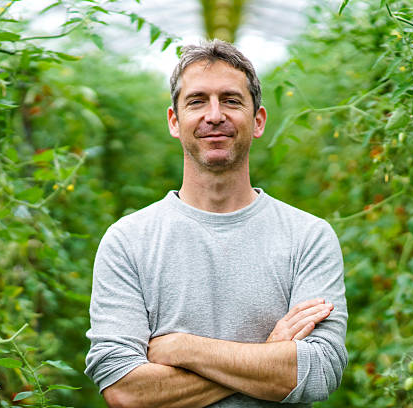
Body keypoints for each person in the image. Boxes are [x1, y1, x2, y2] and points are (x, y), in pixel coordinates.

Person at [84, 39, 347, 408]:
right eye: (197, 101)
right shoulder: (128, 241)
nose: (214, 115)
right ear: (175, 122)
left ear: (258, 121)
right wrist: (269, 354)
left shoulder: (308, 237)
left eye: (231, 100)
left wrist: (182, 347)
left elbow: (319, 372)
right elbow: (126, 392)